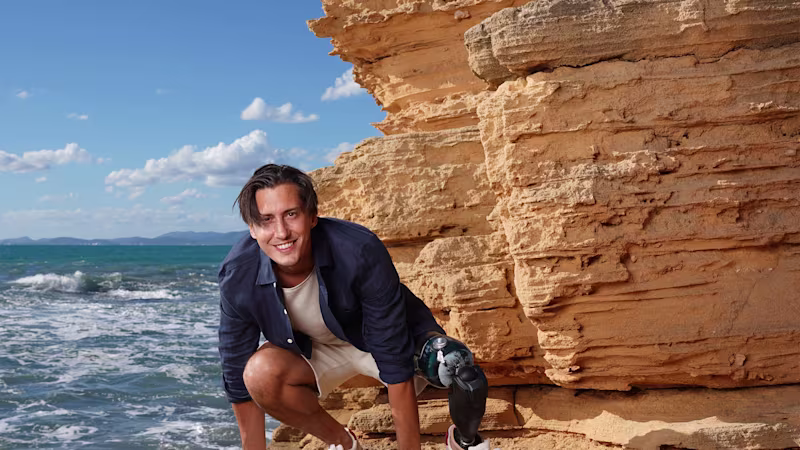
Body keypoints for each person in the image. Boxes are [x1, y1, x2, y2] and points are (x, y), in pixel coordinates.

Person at [217, 164, 489, 450]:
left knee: (454, 363)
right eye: (266, 220)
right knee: (257, 373)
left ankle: (463, 441)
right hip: (318, 349)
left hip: (381, 339)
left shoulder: (358, 250)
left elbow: (392, 352)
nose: (281, 232)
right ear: (252, 228)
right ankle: (345, 444)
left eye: (291, 214)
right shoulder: (238, 274)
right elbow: (236, 368)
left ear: (312, 217)